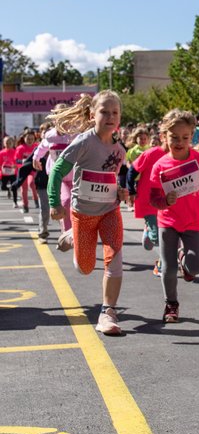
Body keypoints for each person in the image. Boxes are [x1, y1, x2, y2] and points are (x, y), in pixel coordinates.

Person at [47, 91, 130, 336]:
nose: (110, 116)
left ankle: (108, 312)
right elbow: (56, 172)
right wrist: (54, 202)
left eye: (115, 112)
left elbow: (113, 181)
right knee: (84, 268)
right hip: (83, 212)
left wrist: (121, 193)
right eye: (104, 111)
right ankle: (73, 235)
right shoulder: (83, 142)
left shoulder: (119, 150)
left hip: (109, 211)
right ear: (92, 115)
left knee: (114, 256)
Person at [148, 110, 199, 322]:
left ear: (192, 136)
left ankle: (184, 259)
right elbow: (153, 198)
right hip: (168, 222)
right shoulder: (160, 166)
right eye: (174, 137)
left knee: (196, 267)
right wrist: (165, 201)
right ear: (164, 136)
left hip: (193, 222)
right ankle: (170, 305)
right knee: (168, 267)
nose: (179, 142)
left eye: (185, 137)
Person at [33, 107, 76, 251]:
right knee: (66, 201)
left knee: (75, 205)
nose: (64, 122)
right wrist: (36, 158)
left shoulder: (75, 135)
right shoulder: (50, 135)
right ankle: (68, 234)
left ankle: (73, 231)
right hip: (59, 177)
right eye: (60, 118)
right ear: (55, 120)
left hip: (75, 175)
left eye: (66, 118)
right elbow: (42, 148)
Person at [126, 130, 168, 276]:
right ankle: (162, 265)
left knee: (170, 236)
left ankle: (165, 263)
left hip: (170, 202)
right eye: (173, 136)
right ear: (164, 137)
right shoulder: (151, 153)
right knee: (158, 238)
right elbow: (132, 171)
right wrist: (131, 191)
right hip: (149, 200)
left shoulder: (183, 155)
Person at [15, 130, 39, 213]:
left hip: (32, 169)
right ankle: (25, 205)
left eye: (32, 139)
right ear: (24, 138)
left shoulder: (36, 146)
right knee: (24, 188)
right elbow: (16, 160)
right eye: (28, 139)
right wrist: (23, 161)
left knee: (32, 183)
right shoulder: (20, 148)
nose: (30, 141)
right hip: (23, 170)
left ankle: (36, 199)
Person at [0, 136, 19, 205]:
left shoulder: (15, 152)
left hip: (13, 173)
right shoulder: (1, 153)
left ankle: (15, 202)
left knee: (14, 188)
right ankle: (8, 189)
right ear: (4, 144)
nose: (8, 144)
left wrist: (16, 165)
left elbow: (18, 162)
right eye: (6, 143)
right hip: (4, 173)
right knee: (3, 187)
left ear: (12, 143)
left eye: (10, 143)